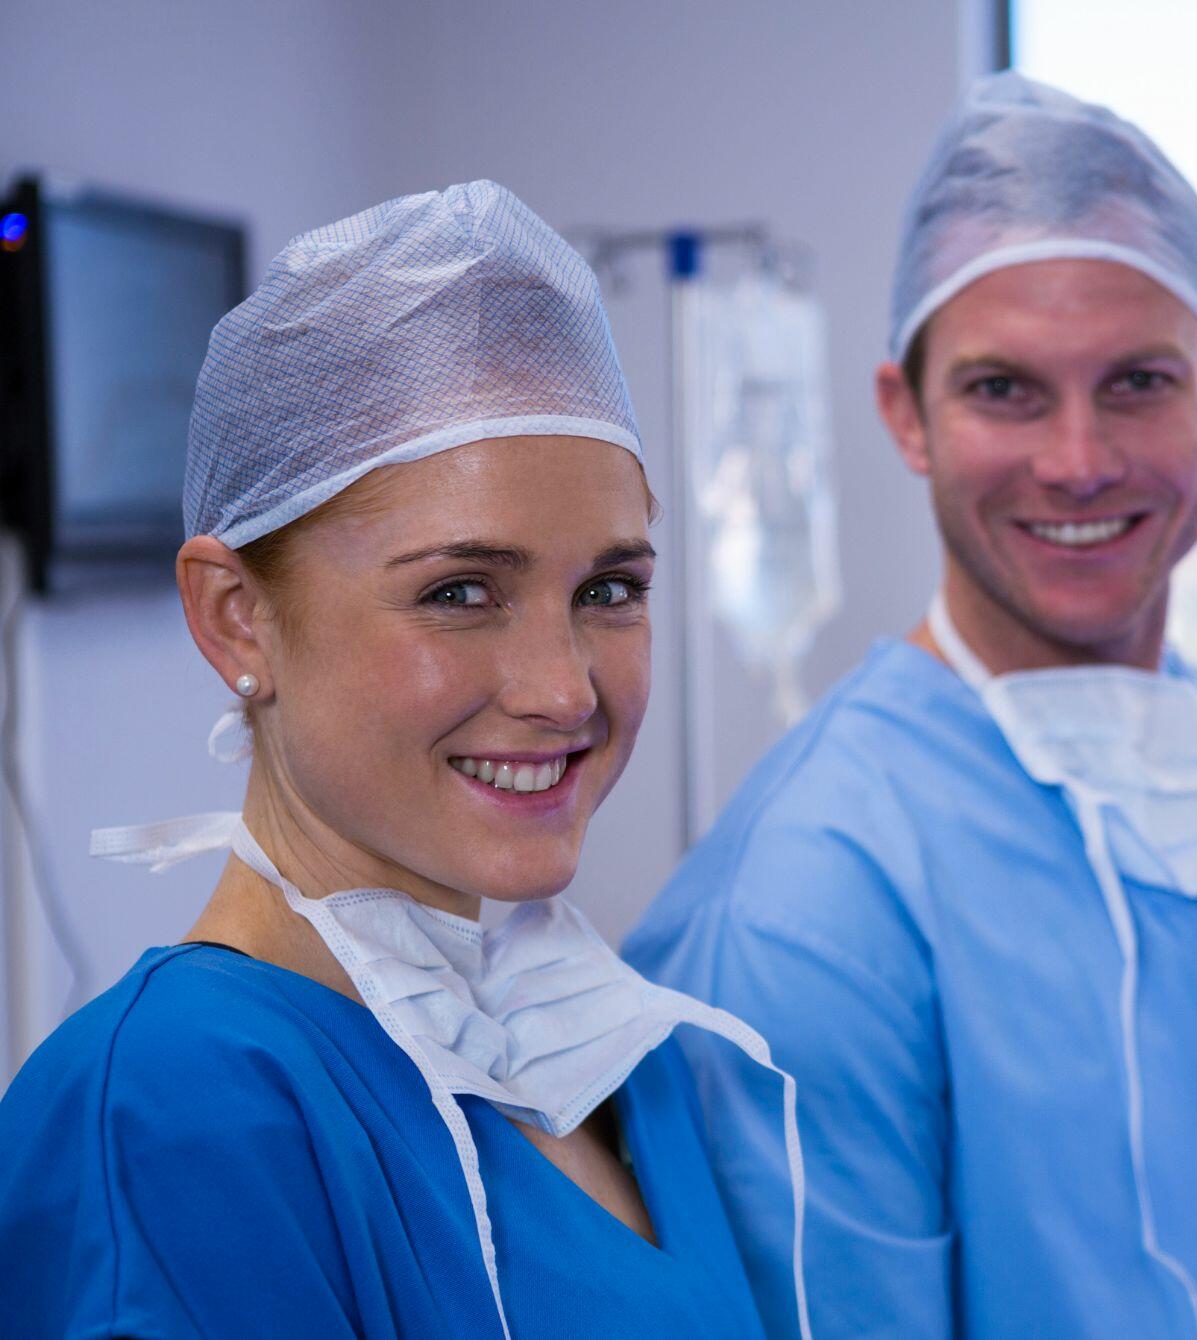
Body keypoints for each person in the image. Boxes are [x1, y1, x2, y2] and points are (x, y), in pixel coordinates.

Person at [626, 74, 1197, 1339]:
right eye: (1003, 389)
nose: (1077, 461)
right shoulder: (808, 898)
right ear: (906, 415)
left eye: (1137, 382)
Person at [0, 182, 807, 1340]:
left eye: (607, 588)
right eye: (461, 591)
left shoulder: (610, 1055)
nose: (563, 688)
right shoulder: (170, 1106)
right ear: (235, 616)